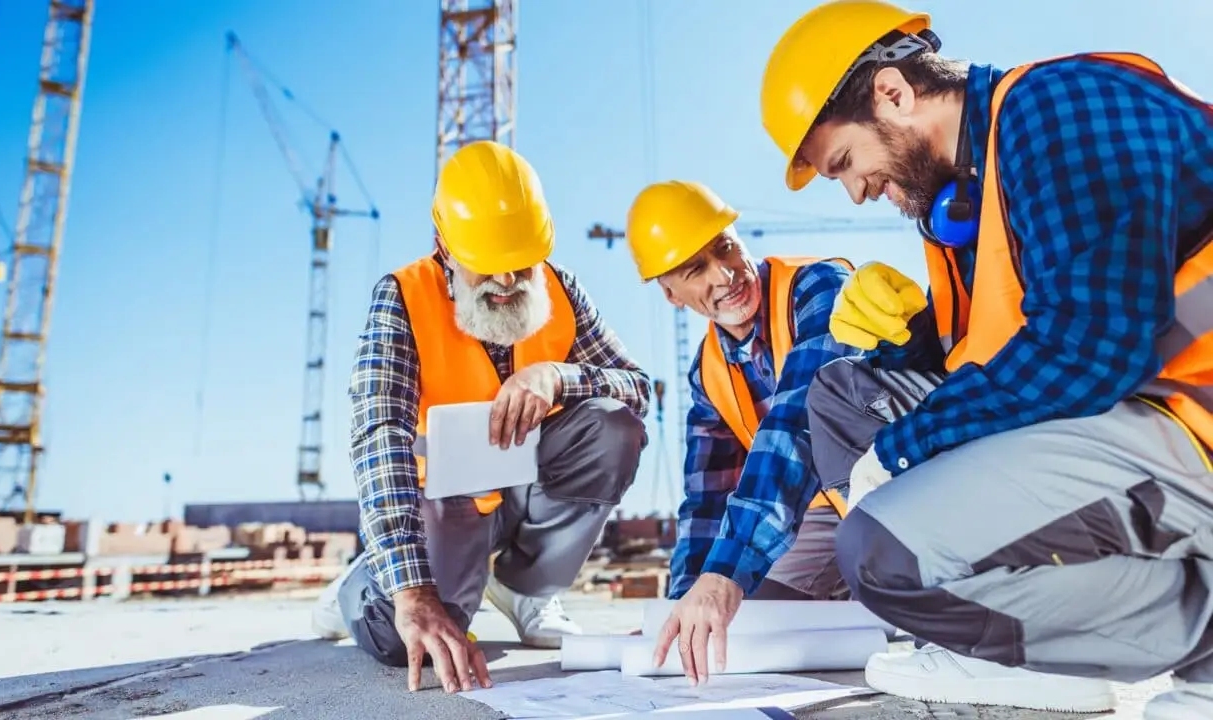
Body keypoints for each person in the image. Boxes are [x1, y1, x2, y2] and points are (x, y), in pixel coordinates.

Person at [758, 0, 1213, 716]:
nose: (855, 192)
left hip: (1189, 420)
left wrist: (907, 449)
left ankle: (1195, 631)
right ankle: (1017, 646)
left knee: (881, 554)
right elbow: (993, 361)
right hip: (1126, 408)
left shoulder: (1058, 107)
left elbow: (1089, 342)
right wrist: (909, 344)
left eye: (845, 162)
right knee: (848, 397)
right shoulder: (966, 197)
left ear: (893, 93)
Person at [310, 140, 651, 694]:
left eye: (520, 263)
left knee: (614, 428)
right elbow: (380, 437)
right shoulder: (402, 298)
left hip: (526, 488)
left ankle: (528, 589)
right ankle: (366, 582)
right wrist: (412, 592)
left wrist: (556, 377)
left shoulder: (562, 290)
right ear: (445, 246)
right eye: (488, 267)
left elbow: (637, 390)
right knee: (409, 642)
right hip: (444, 505)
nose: (509, 282)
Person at [625, 179, 861, 683]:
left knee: (744, 594)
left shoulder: (819, 287)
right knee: (746, 624)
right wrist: (681, 608)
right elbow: (707, 502)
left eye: (726, 247)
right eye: (696, 270)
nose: (727, 273)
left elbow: (794, 422)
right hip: (814, 518)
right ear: (671, 293)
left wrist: (727, 574)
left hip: (883, 490)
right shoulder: (708, 372)